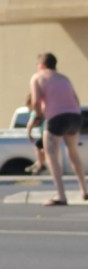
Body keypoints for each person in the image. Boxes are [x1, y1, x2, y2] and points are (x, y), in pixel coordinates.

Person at [29, 52, 87, 205]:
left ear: (41, 65)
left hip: (56, 118)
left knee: (52, 156)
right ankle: (83, 189)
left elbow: (35, 102)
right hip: (75, 116)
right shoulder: (64, 78)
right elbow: (76, 99)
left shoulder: (37, 77)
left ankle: (61, 195)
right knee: (73, 153)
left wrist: (38, 116)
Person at [23, 94, 47, 175]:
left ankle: (39, 164)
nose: (28, 109)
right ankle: (38, 163)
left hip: (46, 133)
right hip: (48, 133)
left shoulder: (36, 111)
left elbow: (30, 124)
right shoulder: (45, 108)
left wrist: (29, 134)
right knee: (42, 149)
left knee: (38, 146)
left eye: (28, 106)